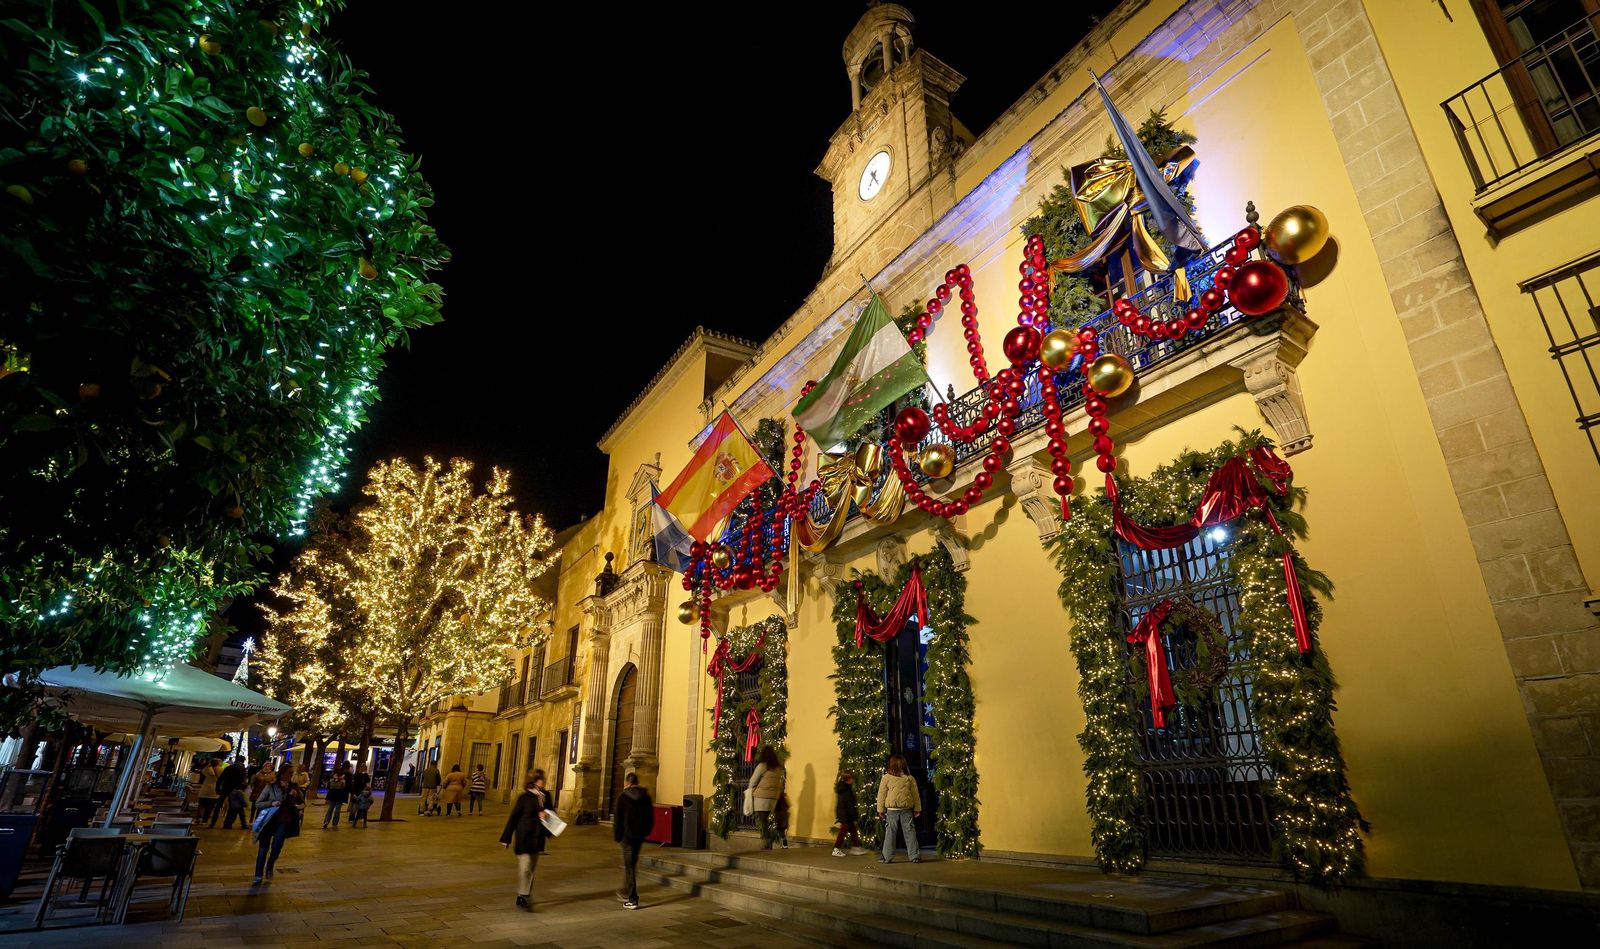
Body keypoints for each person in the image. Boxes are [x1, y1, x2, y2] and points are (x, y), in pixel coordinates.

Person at [500, 769, 553, 912]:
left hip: (538, 837)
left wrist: (548, 821)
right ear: (534, 780)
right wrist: (506, 837)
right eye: (541, 778)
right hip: (524, 835)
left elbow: (551, 813)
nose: (544, 780)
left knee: (531, 868)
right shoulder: (524, 797)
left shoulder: (546, 795)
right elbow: (514, 817)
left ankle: (524, 894)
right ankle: (523, 895)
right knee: (525, 867)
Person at [252, 769, 303, 885]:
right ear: (282, 774)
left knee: (277, 845)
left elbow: (302, 802)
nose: (290, 775)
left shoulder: (294, 787)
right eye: (288, 772)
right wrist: (272, 803)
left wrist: (296, 798)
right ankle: (258, 875)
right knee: (263, 848)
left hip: (283, 820)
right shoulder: (270, 786)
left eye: (291, 773)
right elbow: (258, 803)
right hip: (268, 820)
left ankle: (270, 864)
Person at [612, 772, 652, 910]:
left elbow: (617, 819)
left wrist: (618, 836)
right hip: (639, 837)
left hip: (627, 837)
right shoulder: (645, 796)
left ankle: (632, 898)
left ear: (627, 783)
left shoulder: (623, 797)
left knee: (629, 868)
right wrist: (645, 832)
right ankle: (625, 890)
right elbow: (650, 817)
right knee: (631, 865)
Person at [876, 753, 922, 864]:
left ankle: (887, 857)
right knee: (910, 832)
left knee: (890, 833)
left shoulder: (886, 778)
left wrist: (880, 810)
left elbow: (881, 794)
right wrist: (917, 808)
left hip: (892, 810)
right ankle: (914, 856)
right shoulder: (910, 778)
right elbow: (915, 795)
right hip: (906, 809)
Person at [747, 746, 785, 850]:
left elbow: (753, 781)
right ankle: (776, 840)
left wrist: (751, 790)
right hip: (773, 798)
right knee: (769, 819)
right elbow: (780, 783)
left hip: (761, 798)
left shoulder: (762, 766)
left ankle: (767, 843)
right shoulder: (778, 768)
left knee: (763, 821)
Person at [831, 769, 869, 857]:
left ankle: (856, 847)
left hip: (843, 813)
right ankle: (836, 848)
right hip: (846, 814)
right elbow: (850, 805)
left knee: (853, 830)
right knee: (843, 831)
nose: (853, 780)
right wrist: (854, 817)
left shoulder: (844, 788)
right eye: (852, 778)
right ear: (848, 779)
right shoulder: (846, 791)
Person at [213, 756, 247, 828]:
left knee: (218, 806)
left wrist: (217, 788)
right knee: (232, 808)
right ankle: (227, 824)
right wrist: (242, 789)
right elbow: (244, 781)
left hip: (225, 788)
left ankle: (213, 822)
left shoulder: (229, 767)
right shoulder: (242, 769)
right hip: (235, 790)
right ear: (243, 761)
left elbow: (221, 778)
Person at [323, 761, 350, 828]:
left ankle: (326, 821)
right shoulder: (348, 774)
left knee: (330, 808)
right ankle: (334, 824)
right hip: (341, 793)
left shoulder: (337, 771)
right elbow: (349, 785)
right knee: (337, 810)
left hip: (333, 792)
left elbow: (330, 779)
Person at [196, 758, 222, 825]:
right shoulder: (222, 770)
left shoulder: (208, 769)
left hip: (205, 790)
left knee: (201, 805)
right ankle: (205, 820)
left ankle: (199, 819)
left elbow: (202, 771)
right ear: (219, 763)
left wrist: (209, 764)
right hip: (214, 791)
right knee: (210, 807)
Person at [347, 762, 372, 827]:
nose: (363, 769)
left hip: (362, 792)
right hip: (356, 792)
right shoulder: (357, 774)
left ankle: (359, 817)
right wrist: (353, 792)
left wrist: (365, 774)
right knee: (354, 806)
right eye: (362, 768)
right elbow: (355, 782)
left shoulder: (365, 775)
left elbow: (367, 780)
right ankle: (351, 818)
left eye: (364, 768)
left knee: (361, 805)